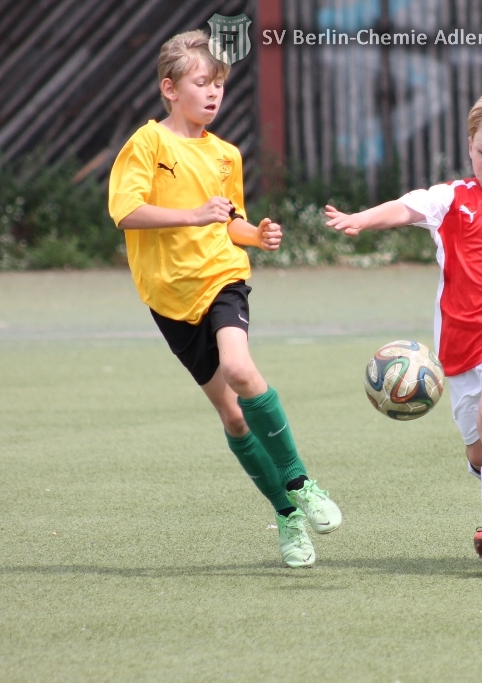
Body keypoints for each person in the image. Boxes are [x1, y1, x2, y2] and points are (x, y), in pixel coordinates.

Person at [107, 30, 341, 569]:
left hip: (221, 278)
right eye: (201, 82)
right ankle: (286, 514)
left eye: (219, 84)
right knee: (234, 419)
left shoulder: (226, 154)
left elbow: (228, 220)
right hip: (169, 296)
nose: (213, 92)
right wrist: (194, 215)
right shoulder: (148, 144)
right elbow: (126, 212)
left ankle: (302, 484)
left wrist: (255, 235)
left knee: (240, 368)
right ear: (170, 89)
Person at [326, 85, 482, 574]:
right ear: (469, 146)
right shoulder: (452, 197)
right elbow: (404, 207)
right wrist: (362, 220)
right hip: (461, 348)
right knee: (478, 448)